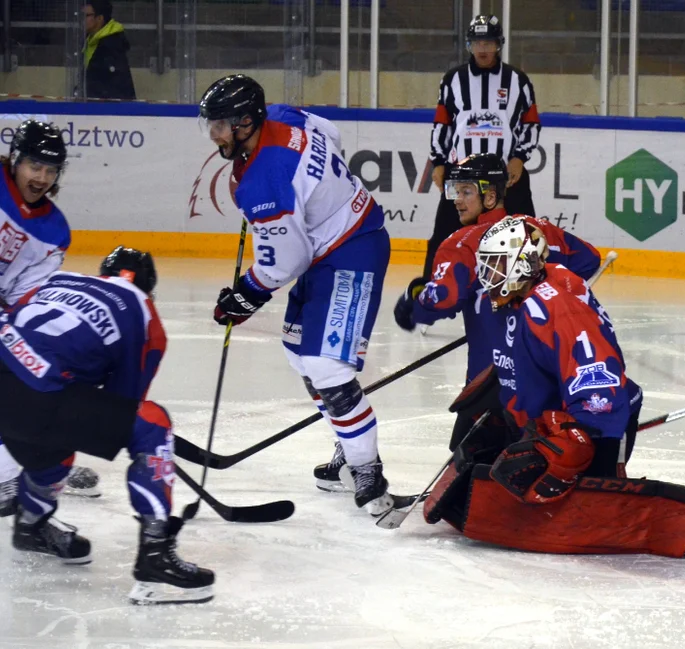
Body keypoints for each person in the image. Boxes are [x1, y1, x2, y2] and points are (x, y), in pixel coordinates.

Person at [416, 218, 685, 559]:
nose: (487, 276)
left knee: (574, 481)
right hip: (545, 416)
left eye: (496, 265)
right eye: (485, 265)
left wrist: (575, 444)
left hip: (593, 424)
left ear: (523, 263)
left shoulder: (558, 310)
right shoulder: (524, 293)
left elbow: (600, 385)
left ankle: (606, 486)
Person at [198, 74, 397, 517]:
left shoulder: (263, 183)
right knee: (298, 352)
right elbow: (332, 134)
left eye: (221, 125)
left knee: (327, 365)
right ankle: (350, 442)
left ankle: (367, 468)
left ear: (247, 123)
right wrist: (320, 196)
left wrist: (245, 296)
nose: (214, 135)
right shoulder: (283, 116)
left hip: (353, 247)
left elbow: (284, 260)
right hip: (328, 245)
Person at [0, 247, 215, 605]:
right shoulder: (144, 314)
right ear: (149, 288)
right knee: (152, 424)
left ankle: (31, 529)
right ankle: (155, 558)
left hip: (12, 383)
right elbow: (124, 403)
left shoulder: (57, 280)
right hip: (33, 395)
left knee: (54, 442)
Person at [390, 153, 600, 463]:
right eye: (454, 191)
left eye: (466, 191)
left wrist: (412, 301)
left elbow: (442, 299)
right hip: (547, 378)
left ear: (490, 195)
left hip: (491, 386)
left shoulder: (462, 244)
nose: (457, 200)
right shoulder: (537, 229)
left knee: (474, 473)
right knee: (540, 460)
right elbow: (588, 259)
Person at [0, 120, 100, 519]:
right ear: (16, 161)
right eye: (34, 166)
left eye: (51, 169)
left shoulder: (55, 231)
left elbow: (25, 299)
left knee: (36, 372)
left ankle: (40, 456)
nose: (41, 178)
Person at [422, 14, 541, 289]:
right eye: (477, 42)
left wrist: (520, 157)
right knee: (443, 233)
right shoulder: (453, 80)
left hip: (506, 173)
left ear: (499, 44)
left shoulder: (518, 80)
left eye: (488, 42)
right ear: (469, 45)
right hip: (462, 172)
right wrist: (439, 162)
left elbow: (531, 123)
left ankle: (536, 285)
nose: (483, 48)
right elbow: (442, 123)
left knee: (526, 231)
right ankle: (430, 289)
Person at [82, 1, 136, 100]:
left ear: (99, 18)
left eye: (87, 15)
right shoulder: (89, 41)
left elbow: (116, 85)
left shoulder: (112, 44)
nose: (82, 20)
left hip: (109, 109)